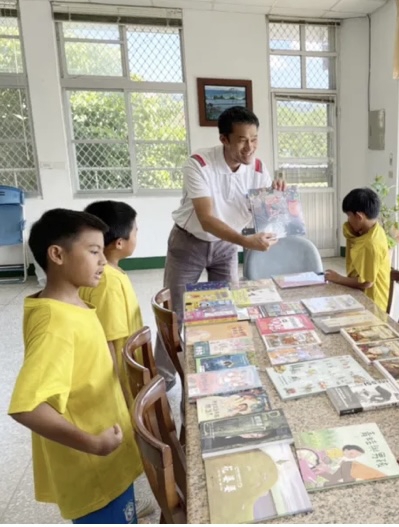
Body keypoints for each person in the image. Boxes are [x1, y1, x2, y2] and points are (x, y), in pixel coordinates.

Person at [8, 209, 142, 523]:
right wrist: (93, 444)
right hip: (93, 467)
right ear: (56, 254)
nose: (102, 261)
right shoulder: (56, 323)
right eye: (94, 252)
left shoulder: (72, 302)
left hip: (110, 457)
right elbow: (28, 407)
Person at [157, 106, 285, 388]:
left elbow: (262, 219)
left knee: (227, 308)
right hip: (188, 243)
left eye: (254, 139)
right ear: (224, 139)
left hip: (227, 246)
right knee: (176, 312)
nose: (249, 147)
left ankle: (222, 368)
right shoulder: (199, 163)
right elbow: (207, 218)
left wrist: (276, 200)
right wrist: (244, 241)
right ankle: (164, 380)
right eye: (241, 140)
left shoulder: (260, 169)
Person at [78, 201, 141, 402]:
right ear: (120, 243)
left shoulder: (106, 274)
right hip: (119, 376)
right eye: (135, 232)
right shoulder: (107, 281)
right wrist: (120, 393)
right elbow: (109, 342)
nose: (137, 237)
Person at [325, 187, 390, 311]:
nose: (348, 220)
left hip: (371, 304)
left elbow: (366, 283)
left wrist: (338, 278)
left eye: (349, 215)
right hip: (361, 296)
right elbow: (349, 233)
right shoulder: (373, 229)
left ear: (359, 216)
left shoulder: (371, 243)